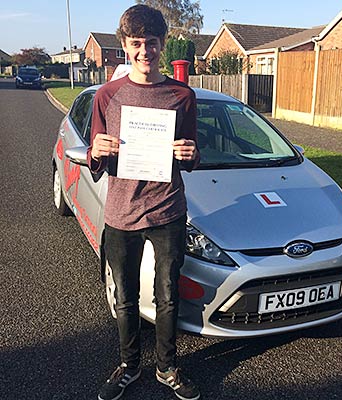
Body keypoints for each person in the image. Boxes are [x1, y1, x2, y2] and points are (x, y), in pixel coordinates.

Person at [87, 5, 201, 400]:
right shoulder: (107, 96)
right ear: (124, 45)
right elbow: (96, 159)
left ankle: (167, 367)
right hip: (122, 213)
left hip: (168, 210)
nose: (144, 51)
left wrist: (191, 154)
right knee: (126, 297)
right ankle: (129, 365)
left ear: (162, 43)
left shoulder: (182, 96)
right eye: (136, 43)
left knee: (168, 296)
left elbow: (192, 155)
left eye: (151, 43)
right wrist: (96, 151)